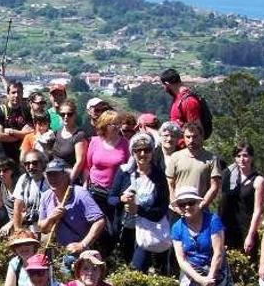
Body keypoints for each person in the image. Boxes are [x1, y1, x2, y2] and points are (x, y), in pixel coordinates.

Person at [170, 186, 237, 286]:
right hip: (191, 270)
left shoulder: (213, 220)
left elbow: (218, 252)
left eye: (191, 202)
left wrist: (210, 279)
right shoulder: (177, 228)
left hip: (214, 268)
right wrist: (201, 280)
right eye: (182, 204)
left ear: (198, 203)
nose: (187, 207)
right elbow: (181, 260)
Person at [109, 133, 171, 274]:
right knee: (126, 268)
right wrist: (121, 199)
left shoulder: (158, 175)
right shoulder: (124, 172)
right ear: (133, 152)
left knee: (138, 269)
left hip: (150, 231)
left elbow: (162, 208)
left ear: (152, 152)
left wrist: (138, 210)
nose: (143, 154)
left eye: (147, 150)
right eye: (138, 150)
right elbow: (111, 198)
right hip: (126, 230)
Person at [38, 158, 106, 269]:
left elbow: (100, 221)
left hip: (76, 254)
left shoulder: (80, 194)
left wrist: (83, 244)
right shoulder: (46, 196)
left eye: (56, 174)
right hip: (55, 252)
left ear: (66, 175)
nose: (53, 178)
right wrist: (51, 218)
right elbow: (43, 228)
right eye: (49, 175)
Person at [85, 110, 129, 254]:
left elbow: (128, 168)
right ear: (104, 125)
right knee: (95, 225)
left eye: (118, 124)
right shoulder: (95, 142)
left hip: (115, 192)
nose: (116, 127)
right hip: (95, 190)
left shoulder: (125, 144)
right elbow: (88, 165)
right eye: (112, 124)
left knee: (113, 228)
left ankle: (108, 257)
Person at [219, 142, 264, 259]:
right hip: (228, 229)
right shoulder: (229, 177)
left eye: (245, 156)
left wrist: (251, 235)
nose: (242, 159)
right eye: (238, 156)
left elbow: (257, 211)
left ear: (251, 157)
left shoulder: (258, 180)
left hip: (246, 229)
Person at [166, 123, 221, 214]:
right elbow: (170, 185)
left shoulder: (212, 159)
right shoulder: (175, 157)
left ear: (201, 137)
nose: (191, 140)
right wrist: (176, 207)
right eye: (188, 137)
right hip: (177, 210)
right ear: (183, 137)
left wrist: (202, 205)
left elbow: (214, 186)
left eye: (195, 137)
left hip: (200, 210)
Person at [0, 80, 32, 165]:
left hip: (20, 158)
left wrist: (12, 132)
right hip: (2, 159)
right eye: (13, 92)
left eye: (19, 92)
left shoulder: (26, 111)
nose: (16, 95)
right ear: (8, 94)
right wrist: (22, 135)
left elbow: (30, 134)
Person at [51, 98, 87, 183]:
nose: (66, 117)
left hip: (69, 178)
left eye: (69, 114)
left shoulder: (79, 135)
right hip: (55, 175)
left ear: (75, 115)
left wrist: (69, 181)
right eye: (63, 114)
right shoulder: (57, 132)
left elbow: (79, 162)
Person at [12, 150, 49, 233]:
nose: (31, 167)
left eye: (35, 163)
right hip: (29, 227)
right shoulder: (23, 179)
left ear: (43, 164)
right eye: (27, 164)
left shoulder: (50, 179)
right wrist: (17, 230)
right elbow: (17, 205)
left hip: (47, 228)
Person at [0, 156, 19, 236]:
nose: (1, 174)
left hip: (22, 220)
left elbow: (25, 212)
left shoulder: (19, 185)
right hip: (10, 219)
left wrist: (10, 224)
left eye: (5, 170)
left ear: (12, 170)